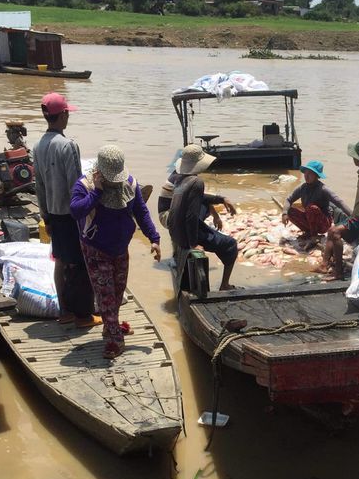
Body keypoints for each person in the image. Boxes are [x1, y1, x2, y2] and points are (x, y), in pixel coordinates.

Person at [70, 144, 161, 359]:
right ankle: (115, 340)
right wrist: (97, 192)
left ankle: (110, 326)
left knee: (118, 291)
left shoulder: (130, 183)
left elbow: (141, 211)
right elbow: (75, 211)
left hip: (120, 248)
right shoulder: (84, 185)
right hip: (96, 248)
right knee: (105, 295)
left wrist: (154, 238)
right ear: (99, 172)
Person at [32, 92, 98, 327]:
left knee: (60, 261)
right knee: (79, 263)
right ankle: (83, 316)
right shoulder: (68, 145)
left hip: (52, 214)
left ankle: (65, 310)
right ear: (62, 116)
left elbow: (39, 185)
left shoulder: (37, 146)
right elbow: (75, 185)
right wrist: (87, 211)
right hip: (71, 214)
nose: (68, 117)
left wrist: (45, 217)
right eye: (67, 113)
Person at [160, 144, 239, 291]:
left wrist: (221, 199)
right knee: (231, 245)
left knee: (205, 214)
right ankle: (225, 285)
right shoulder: (197, 182)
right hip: (184, 233)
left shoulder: (182, 179)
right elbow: (191, 216)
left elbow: (197, 201)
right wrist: (193, 244)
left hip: (175, 230)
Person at [312, 140, 359, 281]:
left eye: (354, 156)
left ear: (358, 158)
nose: (352, 158)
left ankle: (338, 272)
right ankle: (324, 265)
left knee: (334, 232)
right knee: (332, 230)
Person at [281, 160, 352, 246]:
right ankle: (309, 232)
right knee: (290, 211)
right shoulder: (303, 188)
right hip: (310, 220)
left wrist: (353, 216)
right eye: (306, 173)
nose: (306, 176)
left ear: (317, 176)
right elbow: (289, 199)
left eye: (310, 173)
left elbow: (339, 202)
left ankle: (314, 236)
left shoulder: (323, 189)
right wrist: (284, 213)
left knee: (312, 208)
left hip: (323, 223)